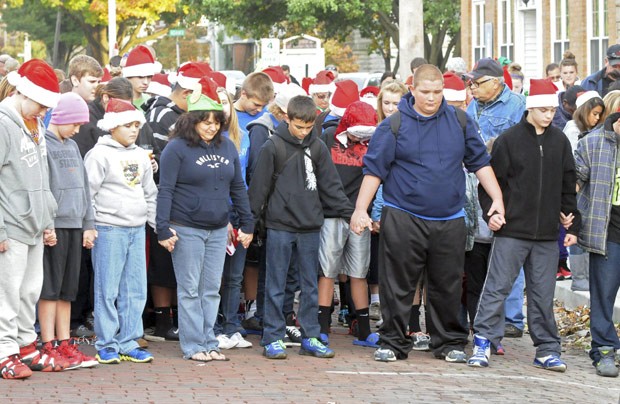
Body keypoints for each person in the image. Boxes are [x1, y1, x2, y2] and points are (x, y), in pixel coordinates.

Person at [351, 64, 504, 363]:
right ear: (413, 90)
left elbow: (480, 162)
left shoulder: (460, 121)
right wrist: (360, 209)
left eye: (437, 92)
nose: (432, 98)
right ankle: (393, 342)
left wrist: (496, 197)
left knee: (447, 283)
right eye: (425, 92)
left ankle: (447, 342)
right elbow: (374, 171)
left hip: (449, 217)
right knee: (397, 283)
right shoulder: (393, 125)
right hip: (403, 214)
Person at [468, 78, 581, 371]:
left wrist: (571, 224)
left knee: (543, 295)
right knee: (497, 288)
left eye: (551, 110)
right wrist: (490, 213)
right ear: (530, 108)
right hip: (511, 232)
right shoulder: (508, 140)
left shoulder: (560, 142)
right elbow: (490, 185)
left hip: (546, 235)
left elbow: (568, 185)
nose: (549, 115)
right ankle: (483, 341)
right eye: (542, 110)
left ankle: (546, 349)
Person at [156, 77, 253, 362]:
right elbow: (166, 189)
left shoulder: (227, 147)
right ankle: (193, 345)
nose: (212, 126)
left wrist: (247, 223)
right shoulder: (176, 149)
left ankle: (209, 340)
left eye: (216, 121)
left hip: (218, 227)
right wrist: (163, 228)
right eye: (206, 121)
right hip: (186, 227)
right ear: (193, 120)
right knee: (189, 289)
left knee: (211, 289)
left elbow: (238, 187)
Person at [248, 95, 353, 360]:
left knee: (309, 285)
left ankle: (311, 336)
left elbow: (331, 186)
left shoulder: (317, 146)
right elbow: (258, 189)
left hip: (310, 226)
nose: (304, 132)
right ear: (287, 118)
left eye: (309, 127)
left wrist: (351, 214)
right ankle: (272, 336)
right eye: (298, 127)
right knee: (275, 282)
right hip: (279, 225)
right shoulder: (272, 146)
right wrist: (248, 224)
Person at [0, 59, 62, 379]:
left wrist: (47, 220)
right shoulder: (3, 124)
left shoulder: (34, 124)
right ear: (24, 93)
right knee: (7, 292)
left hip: (34, 225)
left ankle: (24, 343)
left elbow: (43, 176)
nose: (43, 111)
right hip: (11, 226)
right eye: (41, 104)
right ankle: (3, 350)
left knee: (28, 291)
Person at [142, 62, 212, 343]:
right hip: (165, 196)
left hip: (181, 197)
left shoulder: (177, 114)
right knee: (163, 262)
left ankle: (172, 317)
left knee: (174, 263)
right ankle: (162, 320)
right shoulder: (163, 115)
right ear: (184, 93)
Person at [85, 98, 157, 365]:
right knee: (108, 289)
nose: (133, 130)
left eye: (137, 124)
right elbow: (88, 194)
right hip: (109, 228)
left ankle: (129, 340)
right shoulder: (98, 154)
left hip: (137, 229)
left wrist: (156, 225)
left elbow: (150, 192)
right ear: (113, 126)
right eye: (127, 125)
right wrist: (90, 226)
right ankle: (106, 343)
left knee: (136, 288)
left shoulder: (140, 155)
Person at [464, 57, 527, 339]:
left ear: (497, 82)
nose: (473, 88)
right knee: (480, 252)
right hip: (478, 185)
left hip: (508, 186)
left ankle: (513, 317)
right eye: (471, 83)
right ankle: (484, 315)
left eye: (478, 83)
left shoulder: (518, 106)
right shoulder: (473, 106)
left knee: (508, 251)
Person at [40, 93, 99, 369]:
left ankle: (65, 342)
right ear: (61, 118)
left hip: (75, 225)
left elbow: (85, 189)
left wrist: (89, 224)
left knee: (67, 290)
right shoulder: (43, 144)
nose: (77, 130)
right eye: (74, 123)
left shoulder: (73, 146)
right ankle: (48, 344)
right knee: (50, 289)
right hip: (55, 227)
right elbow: (43, 187)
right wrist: (47, 224)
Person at [317, 101, 378, 348]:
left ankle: (364, 329)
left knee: (359, 272)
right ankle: (322, 326)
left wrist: (365, 211)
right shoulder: (327, 137)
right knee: (327, 270)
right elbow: (322, 177)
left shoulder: (374, 143)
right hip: (331, 213)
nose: (360, 140)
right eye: (356, 134)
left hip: (359, 216)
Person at [574, 105, 620, 378]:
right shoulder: (593, 142)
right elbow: (575, 181)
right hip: (608, 232)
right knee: (603, 295)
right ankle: (604, 349)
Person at [368, 80, 408, 325]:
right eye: (387, 103)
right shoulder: (378, 129)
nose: (391, 108)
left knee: (399, 263)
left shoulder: (408, 129)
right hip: (378, 202)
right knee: (379, 260)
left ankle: (398, 314)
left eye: (396, 103)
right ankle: (380, 306)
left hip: (401, 204)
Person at [122, 45, 160, 109]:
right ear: (128, 76)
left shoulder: (151, 101)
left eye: (149, 77)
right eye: (140, 77)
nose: (146, 82)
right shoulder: (118, 102)